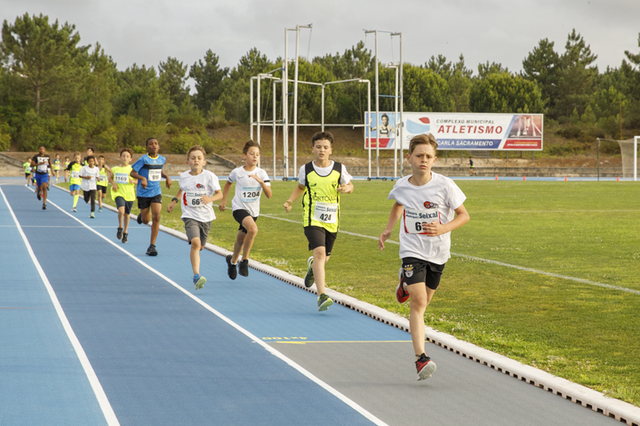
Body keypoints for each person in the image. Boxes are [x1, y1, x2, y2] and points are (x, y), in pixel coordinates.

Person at [378, 133, 470, 381]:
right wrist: (388, 229)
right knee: (418, 302)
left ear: (434, 160)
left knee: (425, 302)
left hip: (438, 253)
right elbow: (398, 204)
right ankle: (421, 358)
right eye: (419, 155)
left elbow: (464, 215)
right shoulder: (402, 185)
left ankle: (404, 284)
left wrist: (443, 228)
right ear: (409, 158)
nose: (424, 160)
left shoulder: (445, 185)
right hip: (412, 250)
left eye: (429, 156)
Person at [283, 131, 354, 311]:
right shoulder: (306, 169)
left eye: (325, 147)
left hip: (332, 220)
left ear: (331, 150)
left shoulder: (339, 168)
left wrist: (347, 188)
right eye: (318, 147)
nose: (322, 150)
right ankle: (322, 296)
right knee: (320, 253)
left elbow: (350, 185)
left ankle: (311, 267)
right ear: (313, 149)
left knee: (324, 258)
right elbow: (300, 187)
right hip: (312, 218)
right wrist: (290, 200)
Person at [167, 145, 221, 289]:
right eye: (193, 158)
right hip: (189, 215)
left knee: (200, 246)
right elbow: (182, 189)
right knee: (196, 243)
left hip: (206, 216)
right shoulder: (184, 176)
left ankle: (196, 255)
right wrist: (174, 201)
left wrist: (210, 199)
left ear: (204, 162)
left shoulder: (210, 177)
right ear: (188, 162)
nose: (196, 160)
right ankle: (196, 275)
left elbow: (219, 194)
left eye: (199, 158)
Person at [219, 140, 272, 279]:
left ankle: (232, 262)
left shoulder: (262, 173)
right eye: (252, 153)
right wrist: (224, 199)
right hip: (239, 208)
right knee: (253, 229)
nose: (255, 157)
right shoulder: (237, 172)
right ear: (244, 156)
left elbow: (269, 195)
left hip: (253, 211)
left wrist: (261, 182)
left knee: (241, 239)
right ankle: (244, 261)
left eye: (257, 154)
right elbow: (228, 183)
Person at [130, 137, 172, 256]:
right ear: (146, 147)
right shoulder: (143, 159)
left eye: (156, 143)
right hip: (143, 192)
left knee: (157, 216)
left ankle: (152, 246)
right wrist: (142, 178)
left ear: (158, 146)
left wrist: (167, 177)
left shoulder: (162, 159)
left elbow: (159, 172)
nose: (154, 145)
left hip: (156, 191)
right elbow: (132, 173)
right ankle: (142, 215)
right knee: (146, 221)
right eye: (151, 144)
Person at [109, 148, 137, 243]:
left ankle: (125, 232)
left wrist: (133, 181)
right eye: (123, 156)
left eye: (127, 156)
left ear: (130, 159)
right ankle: (120, 227)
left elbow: (139, 181)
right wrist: (113, 183)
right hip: (118, 193)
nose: (125, 158)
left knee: (127, 214)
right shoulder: (115, 169)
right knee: (121, 210)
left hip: (129, 194)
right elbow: (110, 178)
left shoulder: (133, 169)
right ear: (120, 157)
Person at [31, 145, 52, 210]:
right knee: (40, 187)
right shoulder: (36, 156)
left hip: (45, 174)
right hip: (38, 174)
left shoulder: (47, 157)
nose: (42, 150)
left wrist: (52, 171)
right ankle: (39, 191)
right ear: (38, 150)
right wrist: (39, 164)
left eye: (43, 149)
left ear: (44, 150)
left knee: (44, 187)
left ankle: (44, 203)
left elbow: (50, 164)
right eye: (40, 149)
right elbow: (31, 164)